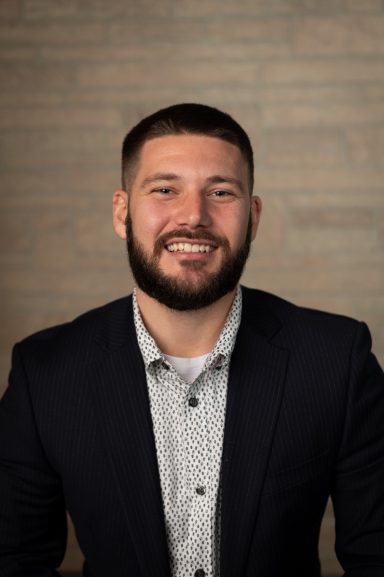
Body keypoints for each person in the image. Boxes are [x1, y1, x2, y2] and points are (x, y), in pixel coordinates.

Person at [0, 103, 383, 577]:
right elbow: (16, 563)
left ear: (254, 217)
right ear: (122, 213)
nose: (193, 216)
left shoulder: (337, 361)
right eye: (165, 190)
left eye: (220, 192)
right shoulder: (46, 373)